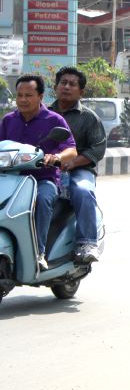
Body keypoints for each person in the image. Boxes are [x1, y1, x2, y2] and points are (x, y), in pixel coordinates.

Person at [0, 75, 77, 270]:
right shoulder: (8, 120)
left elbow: (71, 150)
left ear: (40, 96)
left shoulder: (54, 120)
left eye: (28, 95)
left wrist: (56, 157)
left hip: (43, 179)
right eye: (19, 95)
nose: (23, 100)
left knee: (42, 201)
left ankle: (39, 253)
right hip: (10, 179)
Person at [50, 66, 107, 263]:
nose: (66, 87)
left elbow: (97, 149)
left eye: (72, 84)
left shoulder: (89, 118)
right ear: (55, 87)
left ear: (80, 91)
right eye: (63, 83)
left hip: (79, 170)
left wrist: (72, 163)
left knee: (83, 191)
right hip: (46, 170)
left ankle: (87, 242)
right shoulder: (44, 114)